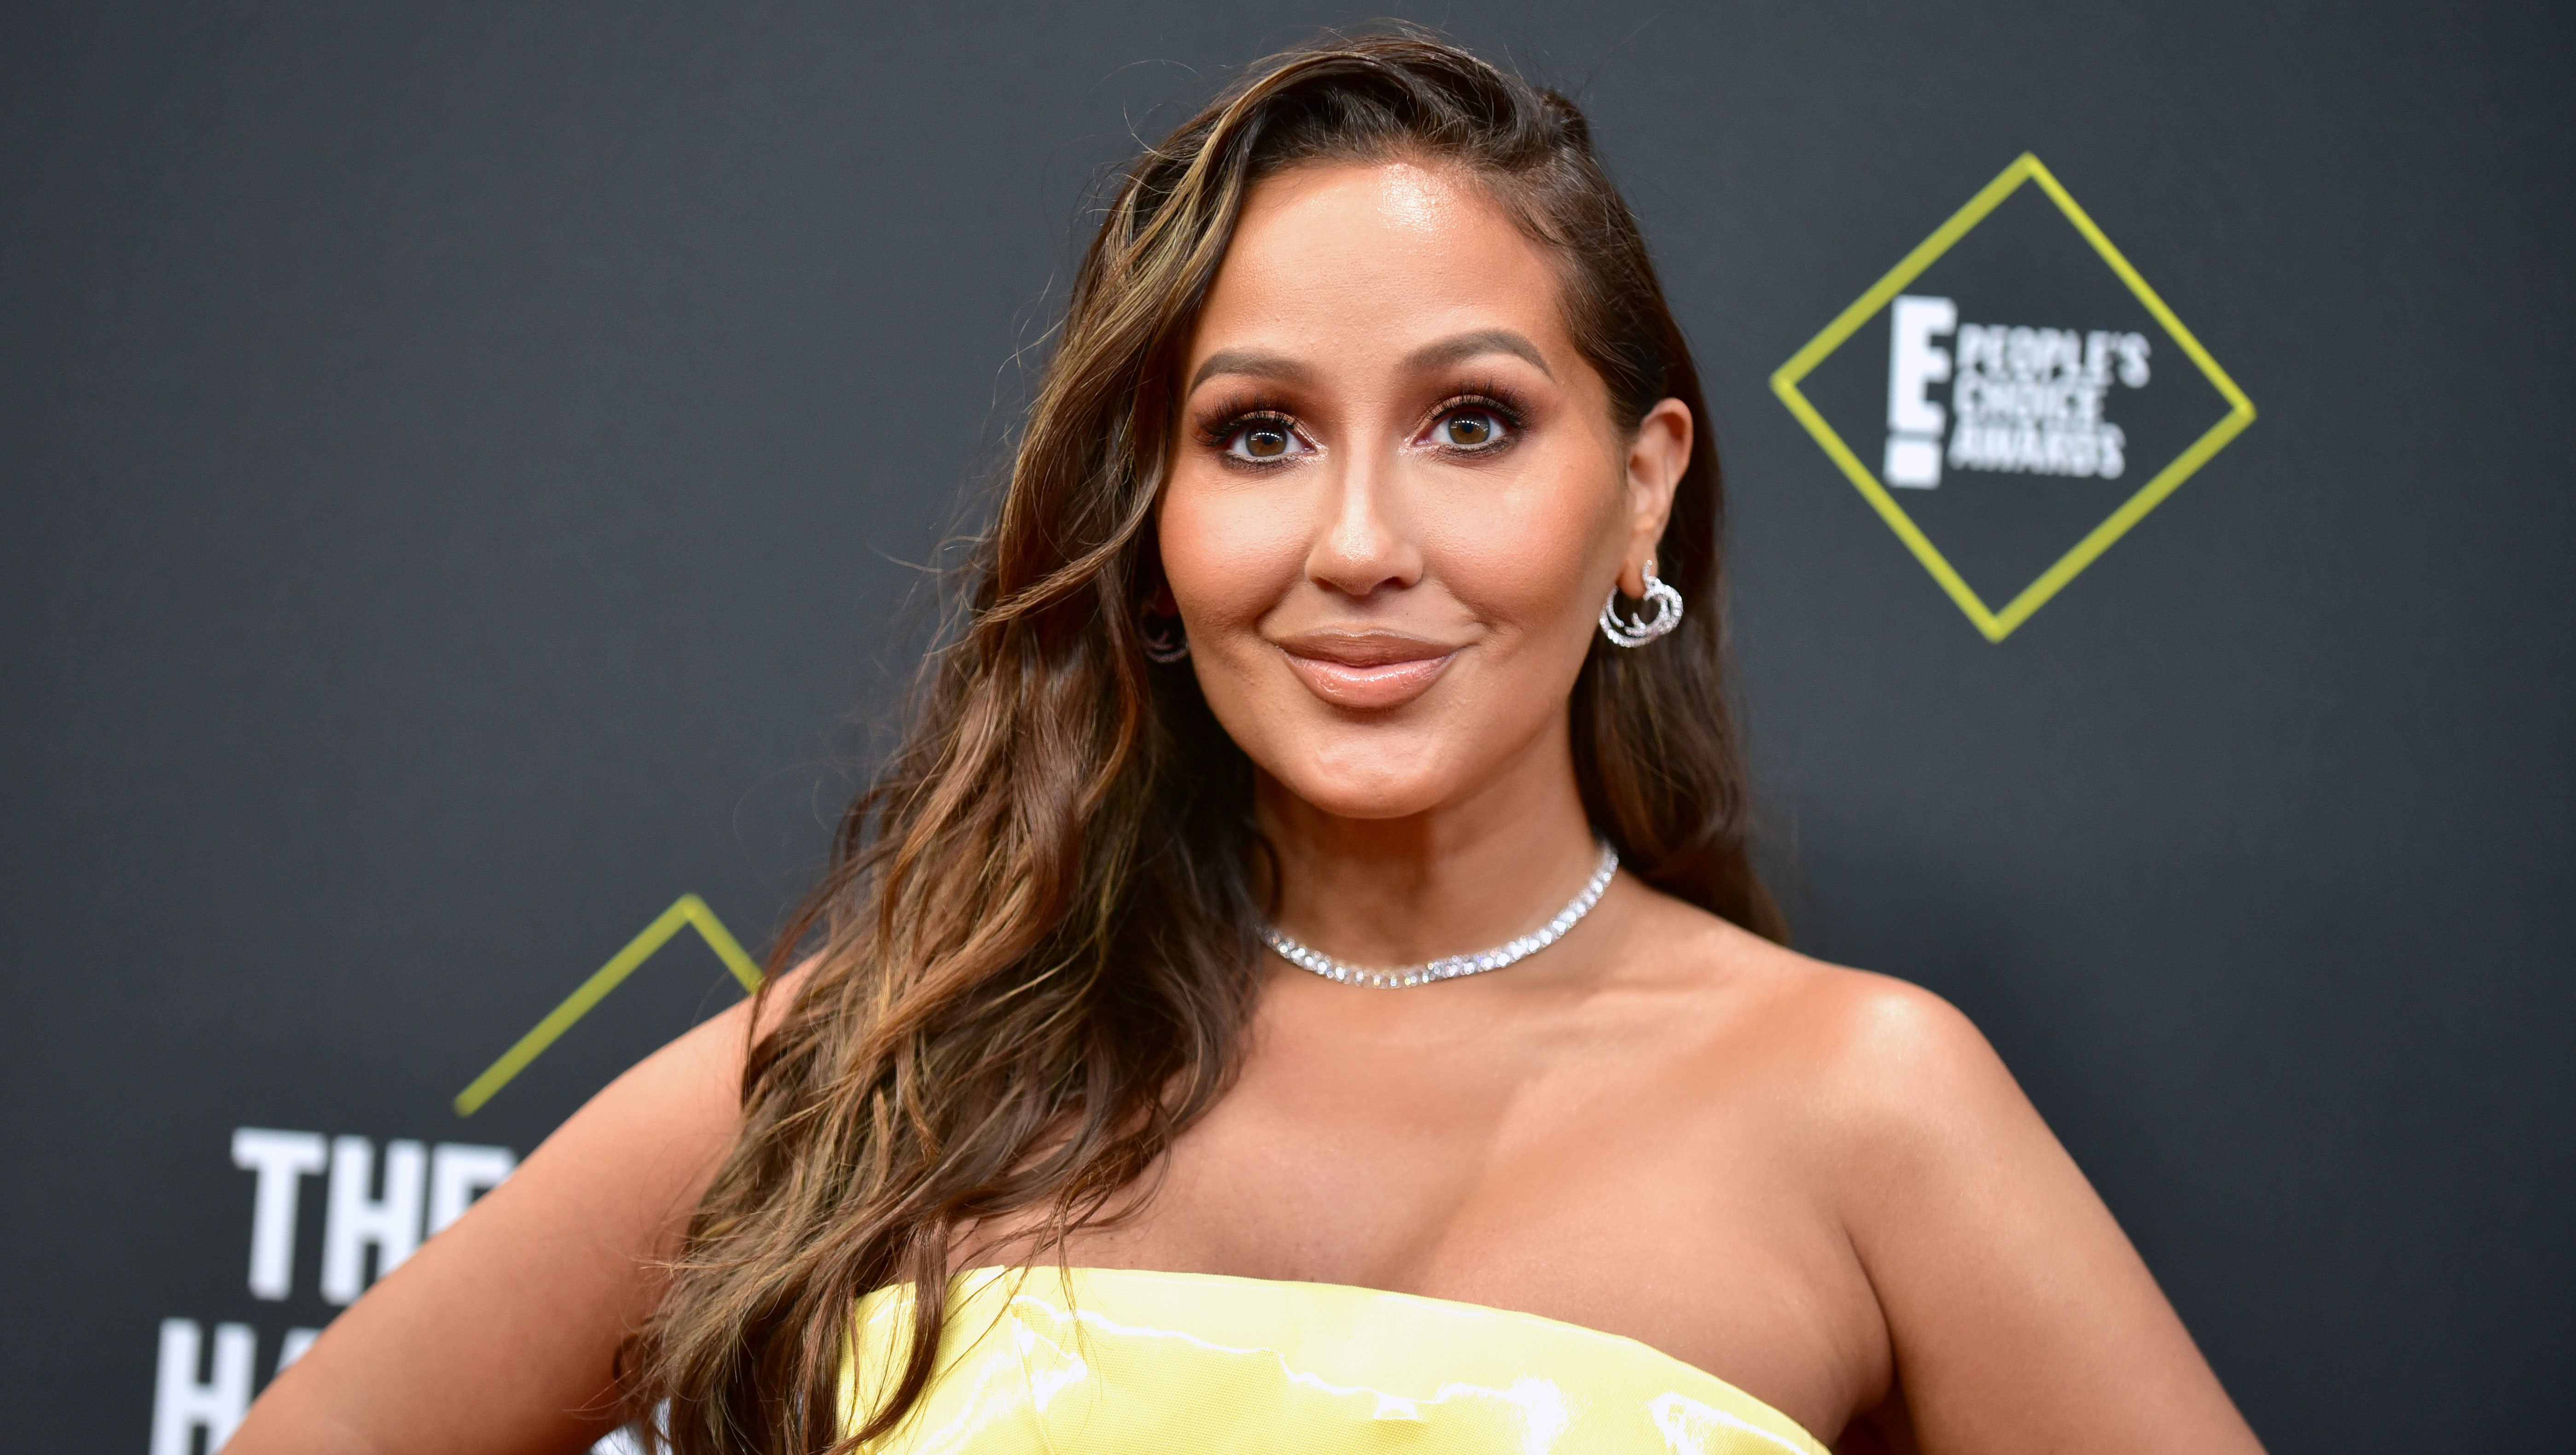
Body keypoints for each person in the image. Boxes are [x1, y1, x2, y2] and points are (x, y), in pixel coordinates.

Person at [232, 31, 2267, 1455]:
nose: (1360, 543)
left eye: (1473, 421)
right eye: (1258, 434)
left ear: (1642, 486)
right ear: (1155, 520)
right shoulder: (887, 1065)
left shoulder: (1868, 1106)